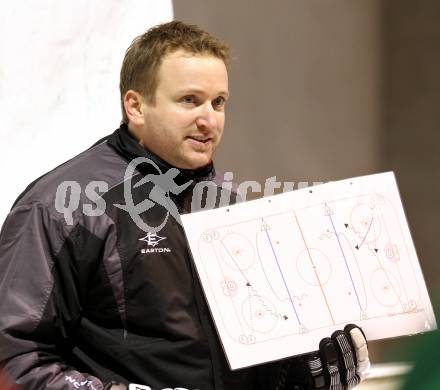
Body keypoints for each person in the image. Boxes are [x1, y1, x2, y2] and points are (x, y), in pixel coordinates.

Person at [0, 21, 370, 389]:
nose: (208, 119)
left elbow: (233, 348)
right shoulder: (61, 207)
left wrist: (298, 374)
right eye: (189, 100)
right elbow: (14, 362)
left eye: (218, 102)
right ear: (136, 106)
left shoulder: (225, 200)